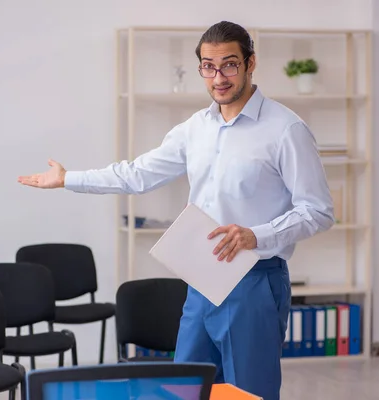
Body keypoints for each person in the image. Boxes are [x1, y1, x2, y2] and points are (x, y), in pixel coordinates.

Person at [18, 20, 334, 400]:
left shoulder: (286, 129)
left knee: (248, 393)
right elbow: (136, 175)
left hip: (254, 278)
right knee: (184, 388)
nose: (219, 77)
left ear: (251, 64)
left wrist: (257, 234)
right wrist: (69, 178)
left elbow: (317, 210)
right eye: (208, 66)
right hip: (202, 279)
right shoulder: (195, 128)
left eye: (230, 64)